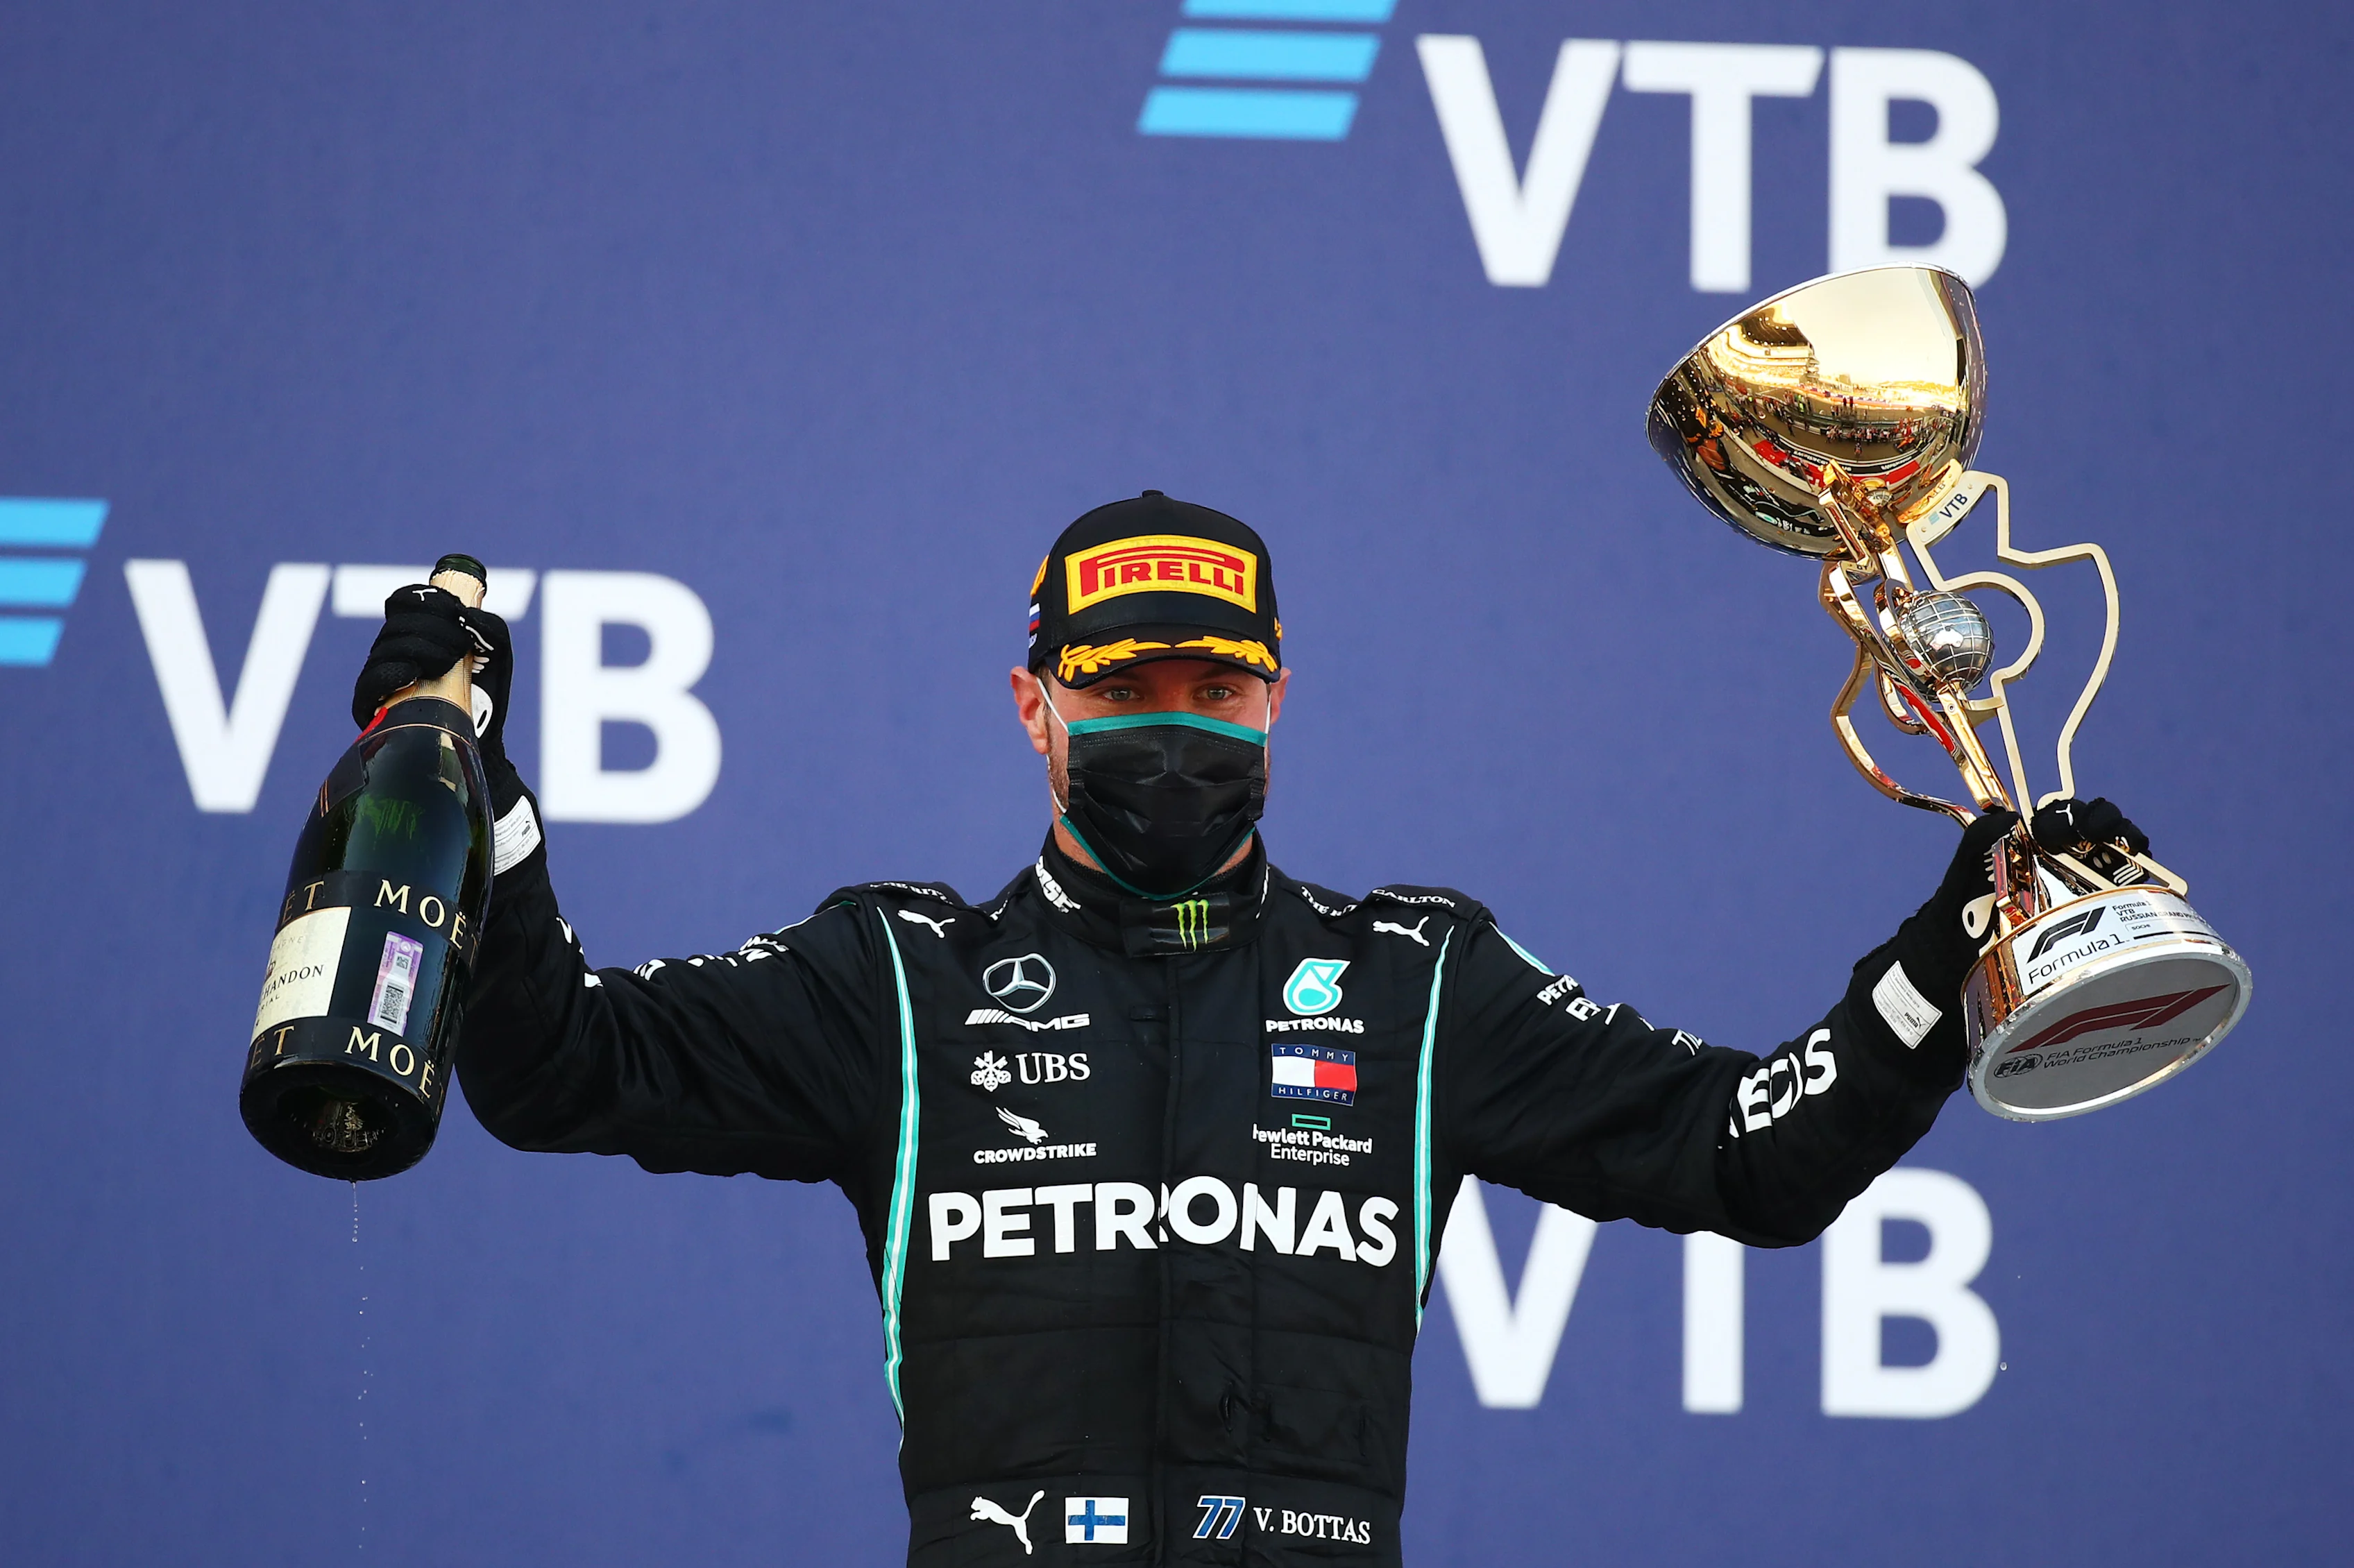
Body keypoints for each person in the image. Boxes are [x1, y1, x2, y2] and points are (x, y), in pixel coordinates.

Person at [355, 491, 2147, 1567]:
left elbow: (1755, 1157)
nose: (1175, 722)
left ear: (1281, 698)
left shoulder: (1417, 981)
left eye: (1218, 688)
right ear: (1032, 705)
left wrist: (1954, 937)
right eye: (1126, 687)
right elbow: (552, 1063)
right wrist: (473, 793)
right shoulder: (895, 982)